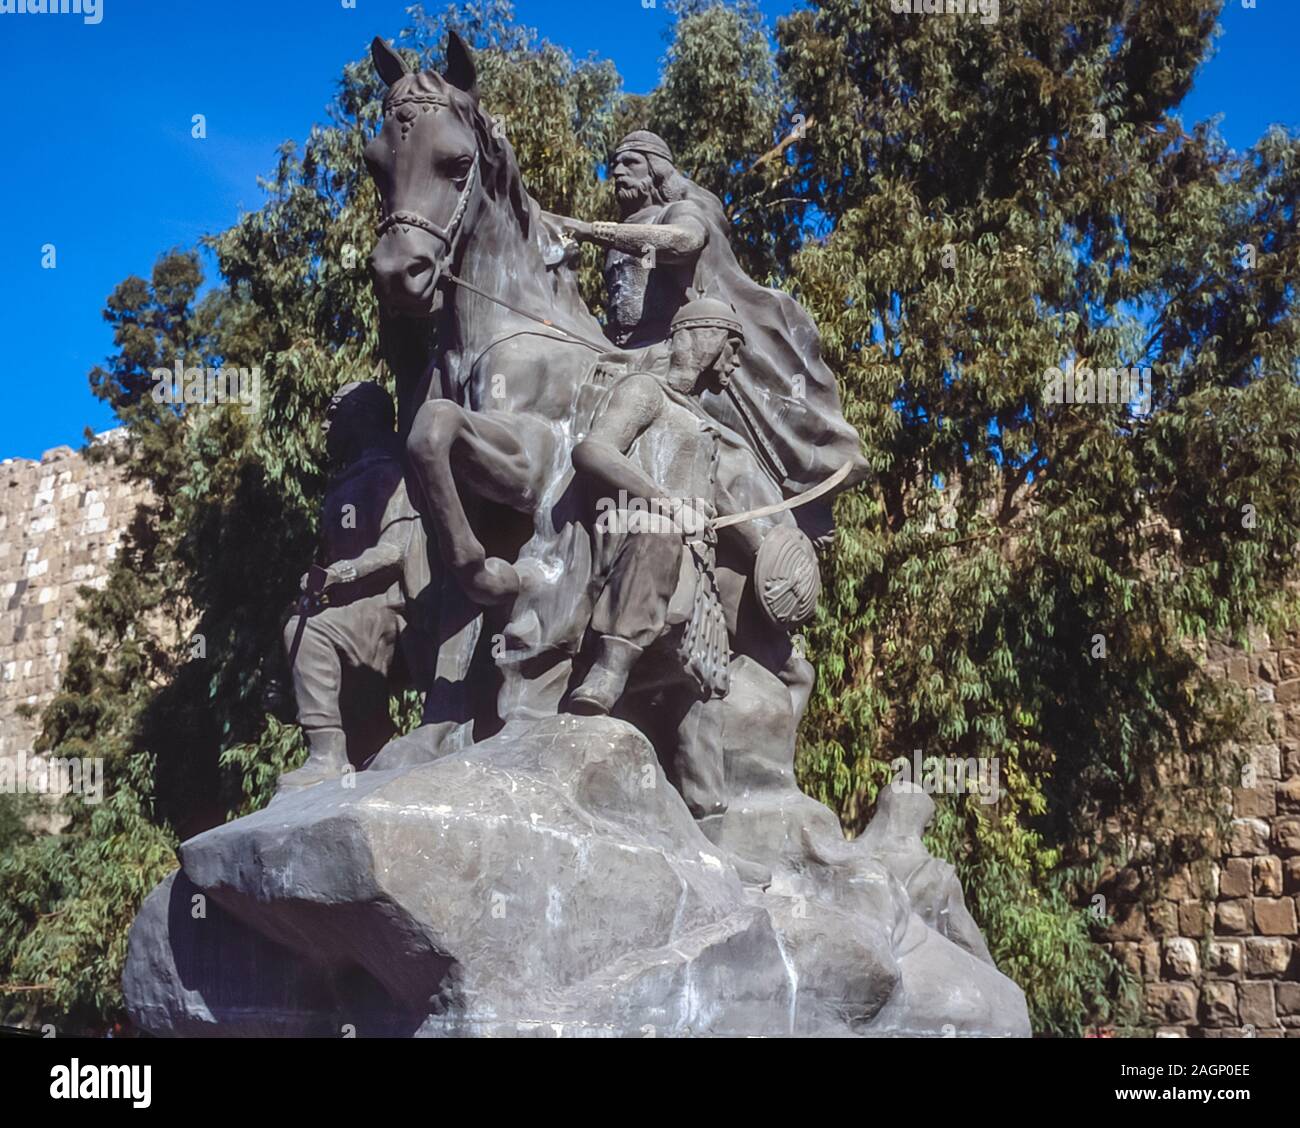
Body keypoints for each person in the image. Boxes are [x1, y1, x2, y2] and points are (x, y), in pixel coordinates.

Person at [555, 130, 869, 543]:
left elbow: (686, 241)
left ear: (655, 170)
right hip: (618, 349)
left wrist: (592, 229)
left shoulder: (678, 211)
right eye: (614, 162)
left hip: (668, 352)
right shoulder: (624, 231)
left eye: (630, 162)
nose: (616, 170)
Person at [278, 382, 429, 792]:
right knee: (295, 620)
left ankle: (326, 754)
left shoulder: (393, 471)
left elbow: (395, 549)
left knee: (308, 630)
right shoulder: (344, 482)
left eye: (333, 413)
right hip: (355, 607)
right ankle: (362, 754)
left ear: (360, 414)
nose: (325, 426)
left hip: (391, 606)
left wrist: (340, 574)